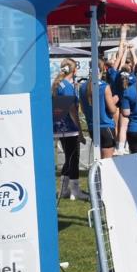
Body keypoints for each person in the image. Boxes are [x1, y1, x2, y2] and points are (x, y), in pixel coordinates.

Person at [51, 58, 88, 200]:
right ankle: (75, 190)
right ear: (74, 70)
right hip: (69, 127)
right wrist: (80, 131)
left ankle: (64, 189)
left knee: (68, 158)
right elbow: (72, 110)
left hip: (60, 126)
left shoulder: (58, 84)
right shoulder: (66, 86)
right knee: (73, 158)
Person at [79, 60, 119, 159]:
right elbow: (112, 110)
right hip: (106, 126)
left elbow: (83, 109)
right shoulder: (104, 86)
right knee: (107, 161)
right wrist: (114, 101)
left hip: (92, 127)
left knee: (98, 160)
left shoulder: (82, 87)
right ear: (102, 70)